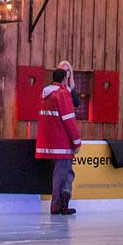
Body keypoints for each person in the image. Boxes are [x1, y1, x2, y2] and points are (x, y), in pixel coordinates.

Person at [36, 62, 83, 216]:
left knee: (60, 174)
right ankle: (59, 205)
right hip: (62, 143)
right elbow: (69, 119)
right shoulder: (62, 94)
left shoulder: (46, 94)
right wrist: (77, 141)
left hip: (50, 142)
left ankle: (60, 204)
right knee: (63, 175)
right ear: (64, 79)